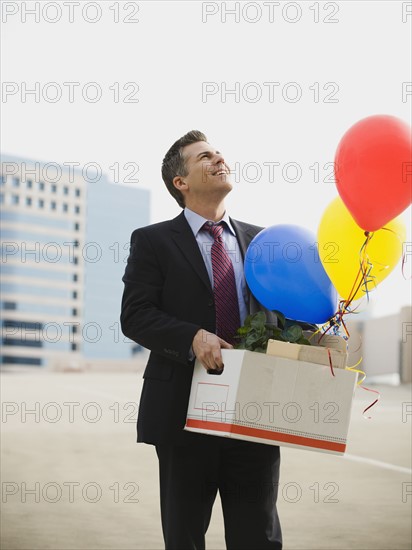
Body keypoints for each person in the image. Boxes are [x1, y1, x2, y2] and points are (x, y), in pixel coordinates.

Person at [121, 130, 282, 550]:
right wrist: (192, 337)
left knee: (258, 537)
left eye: (220, 153)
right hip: (182, 413)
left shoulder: (264, 241)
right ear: (181, 182)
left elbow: (282, 314)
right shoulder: (153, 241)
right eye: (205, 157)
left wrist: (321, 325)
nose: (218, 159)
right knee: (185, 537)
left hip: (252, 414)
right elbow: (135, 316)